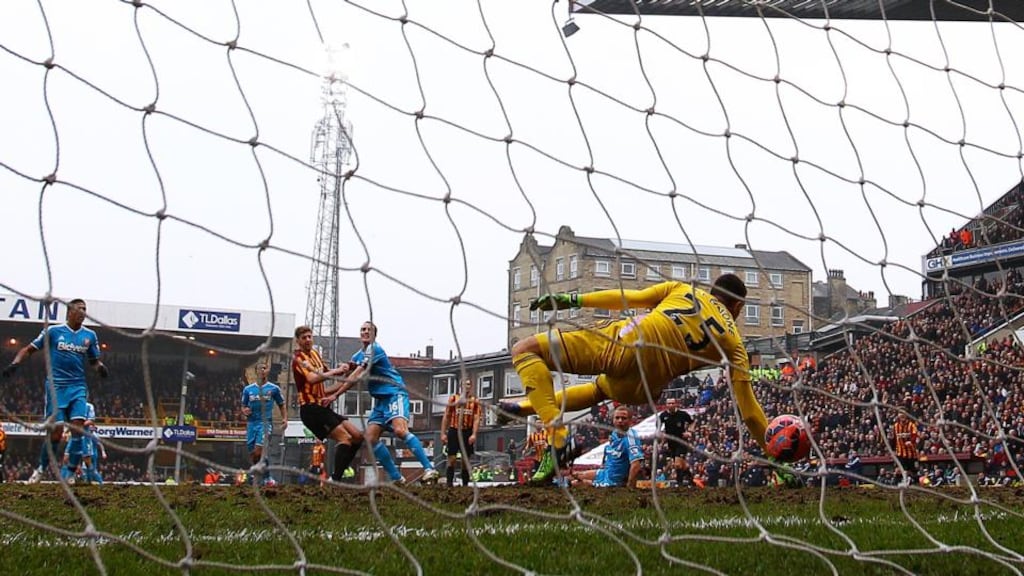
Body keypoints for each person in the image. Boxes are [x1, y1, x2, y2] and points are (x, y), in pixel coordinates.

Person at [500, 275, 769, 483]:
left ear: (713, 292)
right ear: (738, 305)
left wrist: (574, 300)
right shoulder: (734, 344)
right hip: (644, 388)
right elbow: (750, 413)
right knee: (598, 390)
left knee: (525, 350)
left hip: (625, 344)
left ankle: (557, 436)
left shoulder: (685, 290)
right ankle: (523, 407)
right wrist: (774, 453)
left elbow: (630, 297)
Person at [2, 298, 109, 484]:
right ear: (70, 312)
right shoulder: (53, 331)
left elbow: (94, 360)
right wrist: (15, 364)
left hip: (78, 386)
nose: (83, 312)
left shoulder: (90, 336)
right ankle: (41, 469)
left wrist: (100, 368)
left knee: (78, 427)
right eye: (80, 309)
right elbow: (29, 349)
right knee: (57, 432)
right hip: (56, 386)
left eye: (85, 309)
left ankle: (69, 474)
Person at [329, 322, 439, 485]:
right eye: (363, 329)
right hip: (380, 401)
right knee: (370, 438)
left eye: (369, 330)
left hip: (394, 394)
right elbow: (347, 378)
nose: (365, 332)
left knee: (400, 431)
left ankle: (430, 469)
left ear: (374, 335)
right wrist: (327, 393)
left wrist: (335, 395)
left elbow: (357, 375)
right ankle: (397, 478)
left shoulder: (375, 349)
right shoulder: (357, 356)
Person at [291, 325, 364, 483]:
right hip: (310, 409)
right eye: (304, 338)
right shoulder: (299, 359)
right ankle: (335, 480)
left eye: (310, 336)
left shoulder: (315, 354)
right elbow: (312, 378)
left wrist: (346, 372)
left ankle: (338, 473)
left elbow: (326, 375)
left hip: (322, 406)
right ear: (297, 341)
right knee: (344, 438)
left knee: (358, 437)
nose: (308, 340)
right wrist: (337, 371)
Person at [571, 405, 644, 488]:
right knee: (577, 475)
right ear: (613, 420)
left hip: (614, 482)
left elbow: (636, 465)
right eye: (617, 418)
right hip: (606, 473)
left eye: (624, 418)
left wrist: (629, 487)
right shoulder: (614, 433)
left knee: (575, 484)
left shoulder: (631, 439)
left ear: (630, 421)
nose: (620, 421)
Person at [241, 361, 288, 486]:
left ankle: (258, 477)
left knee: (258, 450)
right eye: (260, 368)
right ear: (256, 371)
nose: (262, 370)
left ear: (267, 371)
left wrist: (284, 419)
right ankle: (266, 477)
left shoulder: (274, 389)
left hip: (265, 423)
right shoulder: (248, 390)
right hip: (252, 423)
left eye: (264, 368)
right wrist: (245, 411)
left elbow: (281, 405)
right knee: (254, 454)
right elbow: (243, 406)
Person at [439, 378, 481, 487]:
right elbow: (447, 416)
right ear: (460, 386)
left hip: (467, 431)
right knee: (452, 458)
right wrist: (443, 433)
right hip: (454, 430)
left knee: (465, 460)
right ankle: (449, 484)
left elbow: (476, 419)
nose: (466, 386)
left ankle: (465, 485)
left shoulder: (475, 401)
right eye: (464, 384)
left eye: (468, 384)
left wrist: (474, 434)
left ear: (470, 386)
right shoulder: (453, 398)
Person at [658, 397, 694, 486]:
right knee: (683, 465)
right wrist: (661, 440)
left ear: (676, 404)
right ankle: (691, 480)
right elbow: (659, 428)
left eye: (672, 403)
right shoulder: (663, 415)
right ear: (666, 405)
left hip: (681, 441)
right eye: (669, 403)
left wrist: (689, 431)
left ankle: (679, 485)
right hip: (671, 443)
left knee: (677, 464)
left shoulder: (682, 414)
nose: (671, 405)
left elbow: (692, 422)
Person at [893, 411, 919, 486]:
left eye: (903, 415)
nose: (902, 416)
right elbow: (893, 438)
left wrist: (911, 441)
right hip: (900, 452)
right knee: (901, 469)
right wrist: (893, 448)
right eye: (900, 415)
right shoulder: (896, 426)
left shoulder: (911, 425)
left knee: (912, 470)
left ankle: (915, 482)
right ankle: (900, 482)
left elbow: (915, 434)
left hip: (911, 452)